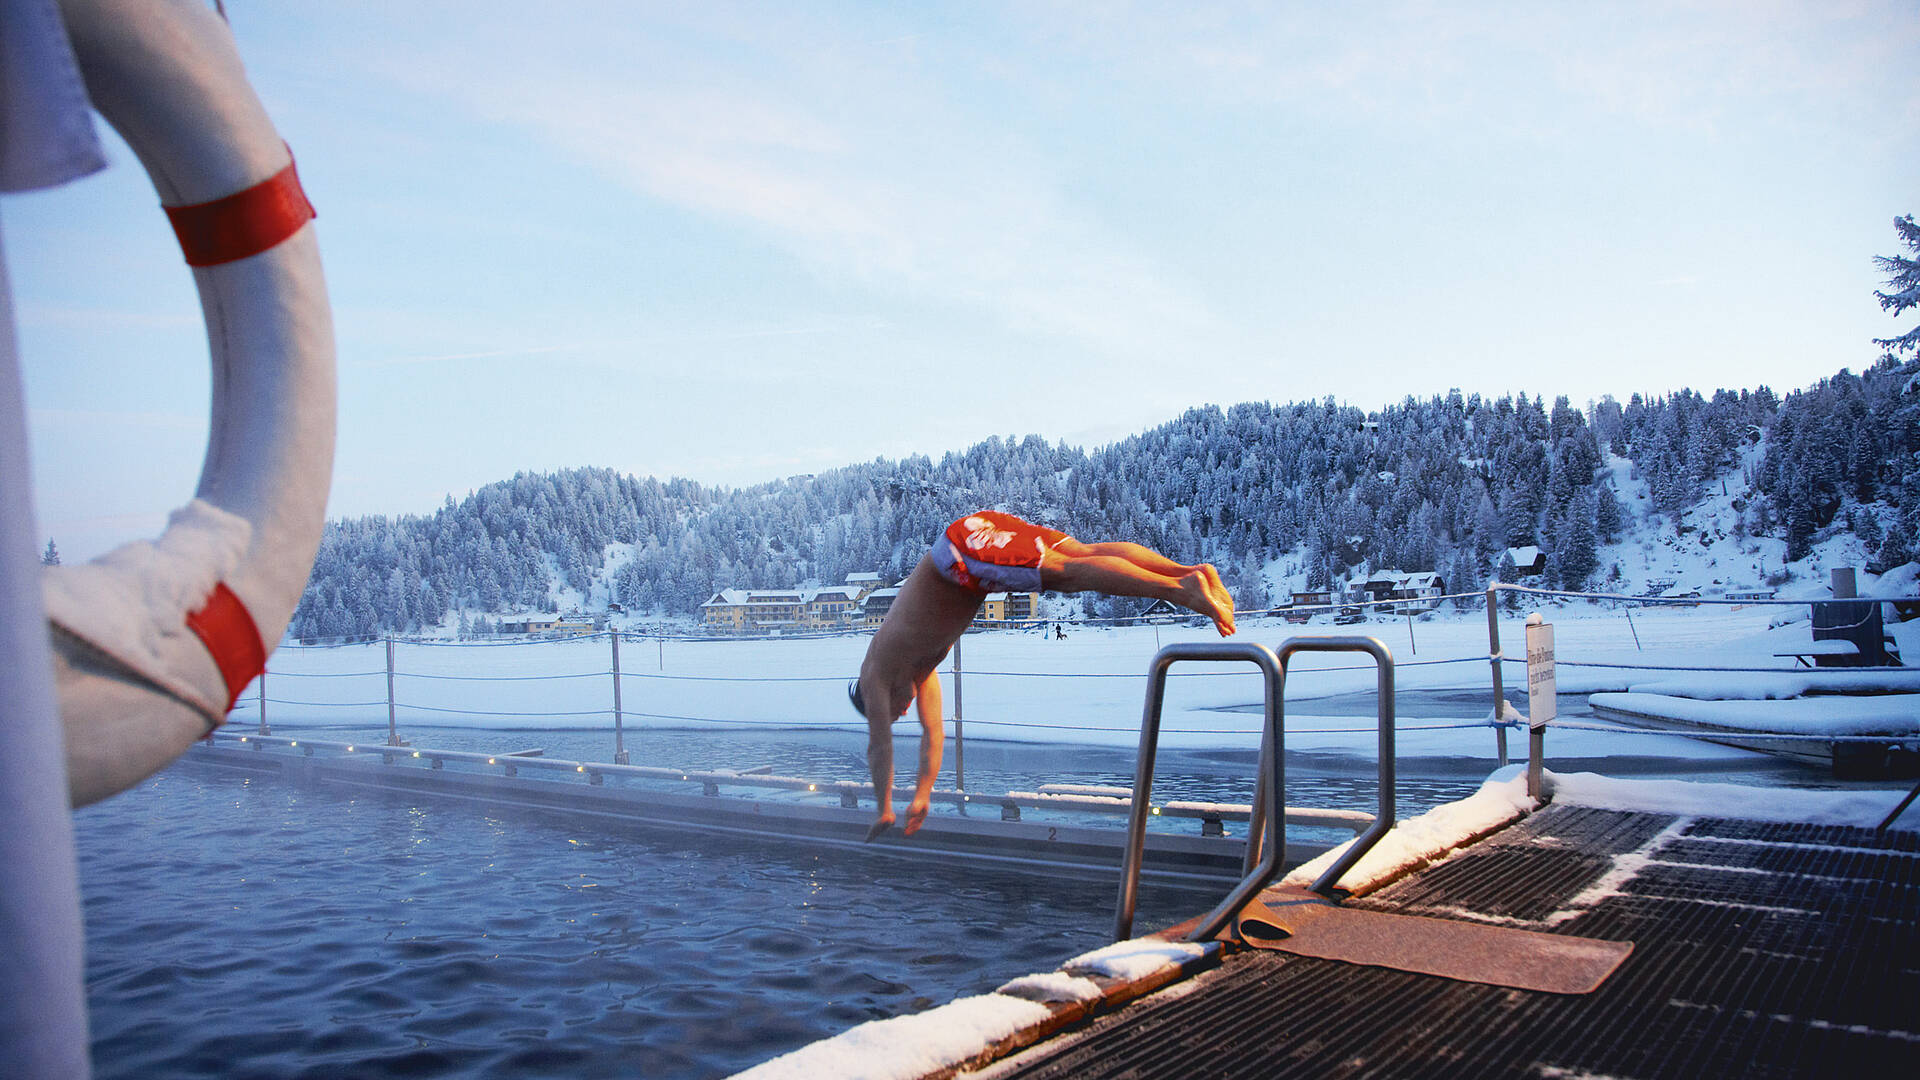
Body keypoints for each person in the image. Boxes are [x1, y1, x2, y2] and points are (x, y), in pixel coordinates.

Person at [849, 510, 1236, 841]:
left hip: (960, 556)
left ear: (875, 702)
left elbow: (878, 747)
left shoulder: (875, 675)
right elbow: (934, 736)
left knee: (1068, 573)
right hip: (969, 540)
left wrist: (883, 808)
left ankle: (1181, 590)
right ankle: (1192, 573)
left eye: (896, 711)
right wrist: (922, 795)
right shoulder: (922, 672)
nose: (904, 709)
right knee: (1082, 554)